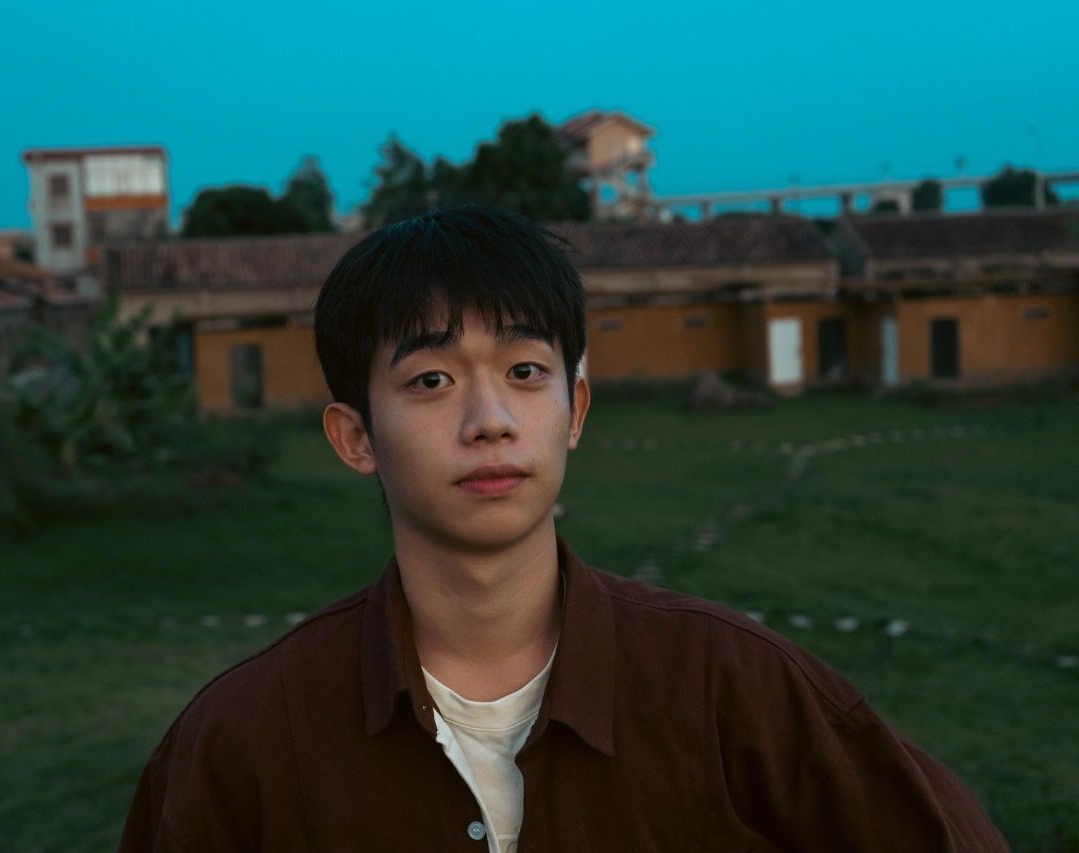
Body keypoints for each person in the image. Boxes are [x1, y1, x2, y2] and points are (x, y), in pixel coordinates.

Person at [119, 205, 1009, 852]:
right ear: (355, 437)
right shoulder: (243, 741)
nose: (491, 420)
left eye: (525, 371)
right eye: (431, 380)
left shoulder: (737, 693)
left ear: (574, 409)